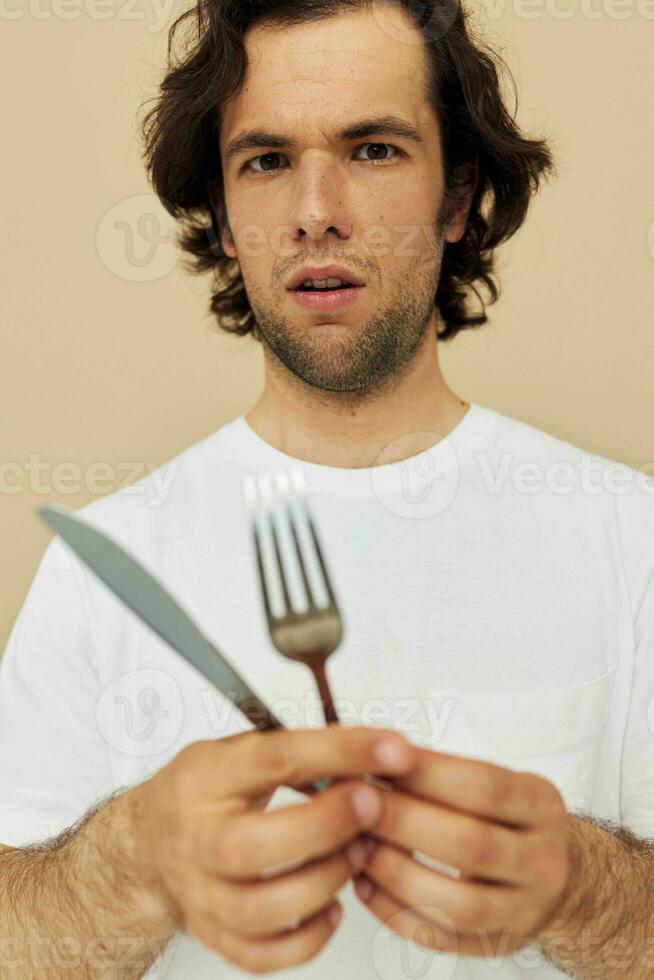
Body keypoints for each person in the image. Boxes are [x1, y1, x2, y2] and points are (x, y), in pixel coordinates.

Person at [1, 0, 652, 977]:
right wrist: (128, 863)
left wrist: (585, 890)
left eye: (374, 149)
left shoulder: (630, 534)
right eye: (266, 160)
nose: (316, 210)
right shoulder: (107, 562)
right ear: (221, 216)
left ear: (457, 193)